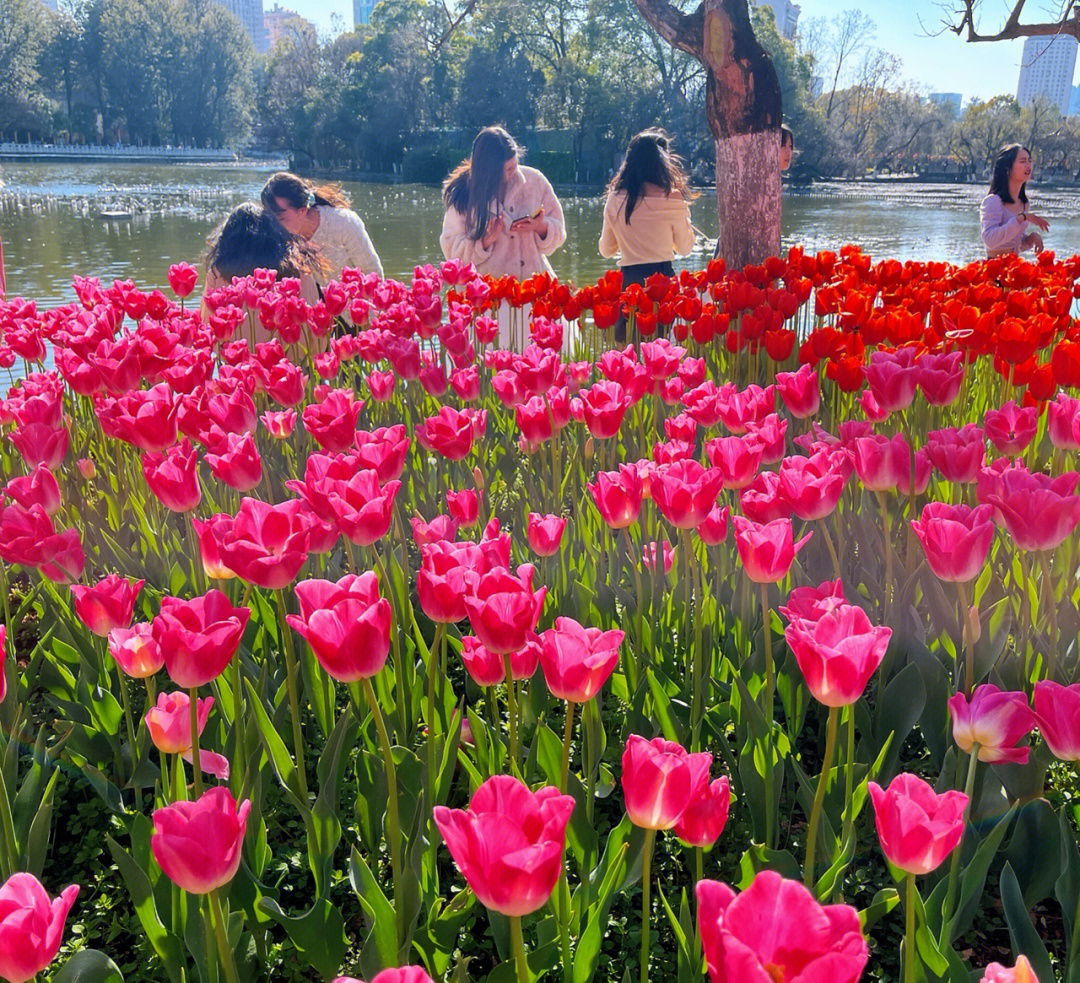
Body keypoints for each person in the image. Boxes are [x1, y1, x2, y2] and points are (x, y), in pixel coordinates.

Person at [440, 126, 567, 351]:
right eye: (507, 169)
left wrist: (542, 228)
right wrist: (484, 242)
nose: (513, 172)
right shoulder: (463, 196)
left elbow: (559, 231)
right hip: (490, 303)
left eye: (515, 165)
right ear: (489, 171)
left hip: (534, 293)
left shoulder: (534, 181)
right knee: (494, 373)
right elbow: (451, 251)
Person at [599, 129, 697, 343]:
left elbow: (606, 250)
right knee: (660, 352)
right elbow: (685, 248)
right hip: (662, 283)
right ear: (664, 161)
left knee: (631, 353)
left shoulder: (616, 199)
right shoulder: (673, 198)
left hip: (630, 283)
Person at [202, 202, 325, 347]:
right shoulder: (299, 269)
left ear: (227, 240)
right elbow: (317, 323)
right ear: (275, 234)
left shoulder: (218, 273)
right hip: (296, 361)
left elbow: (206, 326)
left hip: (237, 363)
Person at [261, 172, 384, 281]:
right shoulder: (272, 237)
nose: (274, 225)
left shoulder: (344, 223)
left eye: (281, 218)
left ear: (302, 211)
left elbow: (373, 275)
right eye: (270, 218)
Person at [711, 124, 792, 261]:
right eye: (782, 146)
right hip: (741, 251)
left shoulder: (774, 181)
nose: (788, 152)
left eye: (790, 147)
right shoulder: (755, 180)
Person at [979, 144, 1050, 258]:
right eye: (1023, 161)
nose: (1028, 165)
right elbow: (990, 241)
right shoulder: (993, 201)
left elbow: (1012, 243)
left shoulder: (1024, 203)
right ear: (1007, 168)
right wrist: (1021, 218)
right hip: (994, 269)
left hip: (1013, 266)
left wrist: (1030, 239)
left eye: (1029, 161)